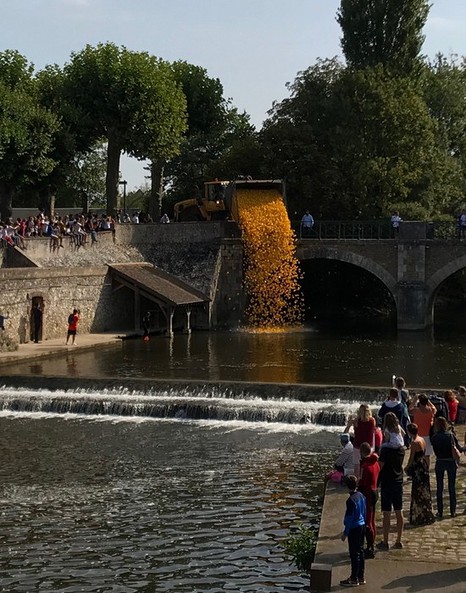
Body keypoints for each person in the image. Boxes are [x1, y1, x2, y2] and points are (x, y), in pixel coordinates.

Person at [376, 437, 405, 550]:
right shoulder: (401, 449)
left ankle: (386, 541)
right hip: (398, 481)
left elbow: (380, 466)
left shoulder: (385, 450)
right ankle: (399, 540)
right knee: (399, 510)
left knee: (387, 512)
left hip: (387, 482)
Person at [404, 423, 435, 526]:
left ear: (409, 432)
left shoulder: (414, 443)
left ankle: (418, 516)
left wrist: (407, 467)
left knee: (417, 492)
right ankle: (426, 513)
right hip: (423, 465)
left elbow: (411, 458)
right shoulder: (422, 439)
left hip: (417, 468)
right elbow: (424, 453)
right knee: (425, 490)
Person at [431, 416, 461, 518]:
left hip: (440, 461)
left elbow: (435, 450)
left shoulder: (434, 437)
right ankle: (453, 510)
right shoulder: (450, 435)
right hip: (451, 462)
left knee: (439, 487)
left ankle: (440, 511)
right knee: (451, 487)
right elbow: (459, 449)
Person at [339, 475, 366, 588]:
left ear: (347, 486)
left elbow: (349, 518)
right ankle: (361, 576)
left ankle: (353, 578)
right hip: (362, 525)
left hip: (354, 528)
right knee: (361, 551)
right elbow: (364, 510)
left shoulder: (350, 500)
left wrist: (345, 532)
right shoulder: (361, 495)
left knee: (354, 553)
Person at [358, 442, 380, 559]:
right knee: (372, 520)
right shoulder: (375, 463)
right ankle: (372, 544)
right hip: (375, 491)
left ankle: (370, 548)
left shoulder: (366, 467)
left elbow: (362, 482)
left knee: (368, 521)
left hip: (368, 494)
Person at [345, 404, 376, 478]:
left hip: (358, 445)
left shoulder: (356, 421)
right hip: (368, 446)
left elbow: (346, 432)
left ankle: (357, 482)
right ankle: (367, 479)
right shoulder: (373, 420)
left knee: (357, 465)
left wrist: (349, 424)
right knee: (368, 464)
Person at [409, 394, 436, 468]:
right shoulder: (431, 410)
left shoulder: (416, 410)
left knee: (416, 455)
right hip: (428, 435)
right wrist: (428, 401)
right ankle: (426, 469)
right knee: (427, 456)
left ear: (419, 402)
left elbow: (409, 409)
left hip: (417, 436)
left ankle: (417, 471)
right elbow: (435, 408)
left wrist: (414, 400)